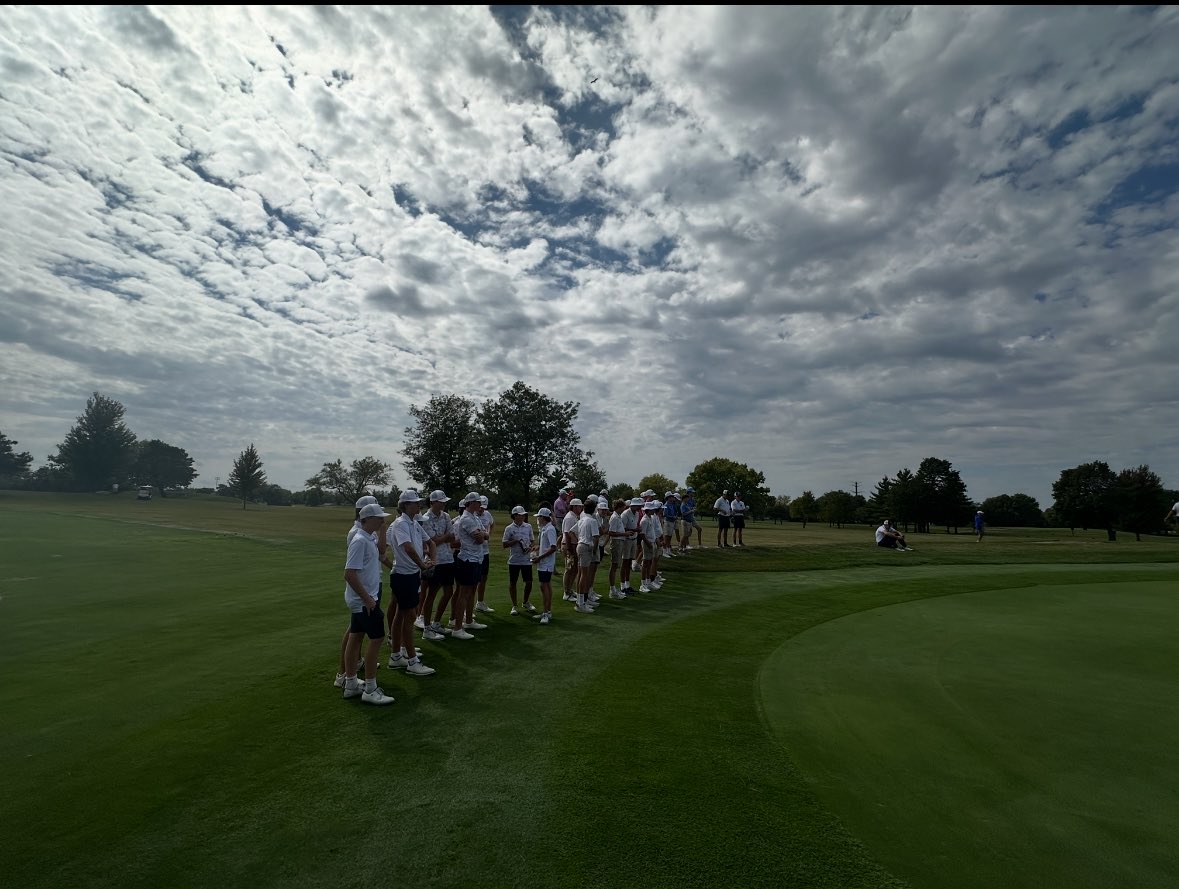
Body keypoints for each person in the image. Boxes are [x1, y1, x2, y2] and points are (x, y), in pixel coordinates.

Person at [340, 503, 395, 705]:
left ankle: (351, 684)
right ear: (367, 519)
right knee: (377, 638)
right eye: (379, 518)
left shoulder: (369, 537)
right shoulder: (360, 540)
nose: (383, 520)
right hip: (364, 601)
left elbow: (381, 552)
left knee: (355, 637)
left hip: (364, 600)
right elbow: (349, 573)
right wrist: (367, 599)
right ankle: (370, 689)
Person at [386, 491, 436, 676]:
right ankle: (412, 661)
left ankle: (396, 655)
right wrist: (423, 564)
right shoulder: (400, 523)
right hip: (403, 574)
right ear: (406, 505)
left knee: (402, 615)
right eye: (415, 503)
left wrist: (433, 560)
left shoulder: (414, 523)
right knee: (409, 617)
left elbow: (430, 542)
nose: (419, 506)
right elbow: (407, 548)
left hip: (411, 574)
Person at [451, 493, 486, 639]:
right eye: (478, 502)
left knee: (472, 590)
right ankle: (458, 627)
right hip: (467, 559)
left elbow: (485, 535)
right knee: (463, 593)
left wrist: (482, 534)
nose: (480, 505)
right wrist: (482, 534)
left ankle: (469, 620)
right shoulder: (466, 518)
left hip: (476, 558)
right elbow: (479, 539)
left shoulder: (475, 517)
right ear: (471, 503)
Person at [421, 490, 455, 640]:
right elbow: (432, 541)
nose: (443, 503)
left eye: (444, 501)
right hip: (435, 560)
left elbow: (451, 536)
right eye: (441, 501)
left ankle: (436, 623)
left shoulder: (446, 516)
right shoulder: (426, 518)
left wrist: (442, 538)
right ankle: (427, 628)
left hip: (448, 558)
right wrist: (444, 537)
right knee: (432, 593)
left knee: (449, 592)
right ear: (433, 502)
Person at [502, 506, 536, 615]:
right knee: (513, 582)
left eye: (523, 515)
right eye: (521, 515)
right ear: (515, 515)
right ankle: (514, 605)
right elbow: (504, 544)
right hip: (514, 560)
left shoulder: (528, 526)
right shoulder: (509, 528)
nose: (523, 516)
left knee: (529, 582)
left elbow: (532, 541)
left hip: (526, 559)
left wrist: (530, 547)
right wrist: (515, 541)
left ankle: (526, 602)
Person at [531, 507, 559, 624]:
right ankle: (546, 611)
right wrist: (538, 548)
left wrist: (539, 558)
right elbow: (547, 545)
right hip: (543, 563)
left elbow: (553, 547)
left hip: (546, 563)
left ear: (543, 518)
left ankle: (547, 613)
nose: (537, 519)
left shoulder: (550, 529)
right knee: (545, 586)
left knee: (545, 586)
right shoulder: (545, 529)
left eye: (539, 517)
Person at [474, 495, 495, 614]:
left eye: (483, 507)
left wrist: (489, 535)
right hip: (474, 552)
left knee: (483, 577)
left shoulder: (487, 515)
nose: (481, 509)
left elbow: (492, 524)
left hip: (485, 551)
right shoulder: (472, 515)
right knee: (472, 580)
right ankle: (467, 608)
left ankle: (480, 602)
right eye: (480, 507)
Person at [561, 497, 583, 601]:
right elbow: (566, 533)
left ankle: (569, 589)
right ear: (574, 506)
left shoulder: (574, 516)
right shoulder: (570, 517)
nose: (580, 508)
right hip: (569, 545)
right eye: (579, 506)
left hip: (574, 544)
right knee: (569, 569)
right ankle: (566, 592)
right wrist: (569, 548)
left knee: (574, 569)